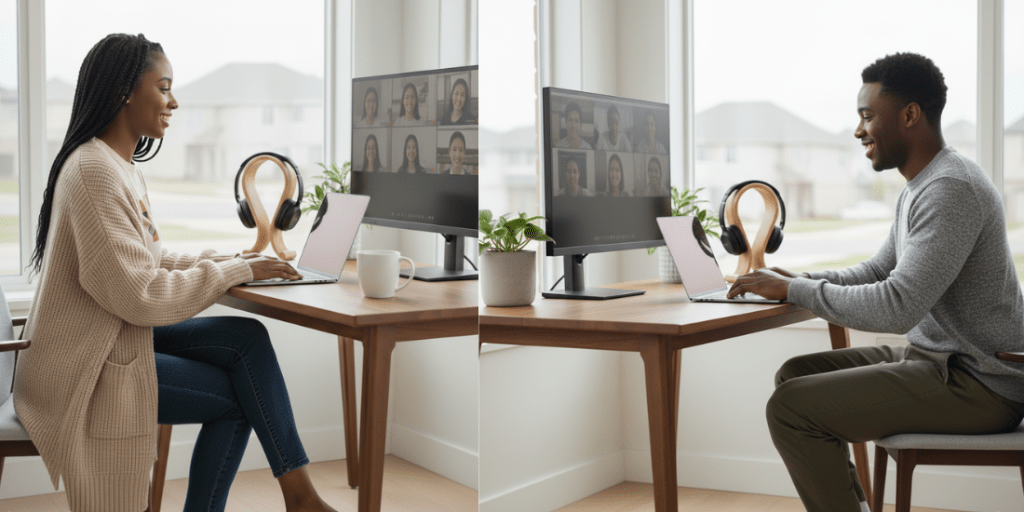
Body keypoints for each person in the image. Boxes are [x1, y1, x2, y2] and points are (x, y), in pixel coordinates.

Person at [13, 33, 337, 512]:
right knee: (242, 398)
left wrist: (230, 263)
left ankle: (300, 495)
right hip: (86, 365)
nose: (174, 101)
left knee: (248, 341)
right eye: (164, 87)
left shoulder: (119, 167)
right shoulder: (93, 171)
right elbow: (140, 295)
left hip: (109, 334)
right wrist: (231, 271)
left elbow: (149, 258)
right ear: (125, 90)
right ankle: (297, 498)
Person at [726, 53, 1024, 512]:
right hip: (938, 360)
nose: (858, 130)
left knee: (790, 409)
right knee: (795, 376)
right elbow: (877, 270)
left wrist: (795, 291)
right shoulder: (921, 187)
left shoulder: (951, 188)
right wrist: (798, 279)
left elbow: (896, 305)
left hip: (980, 383)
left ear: (909, 115)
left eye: (867, 116)